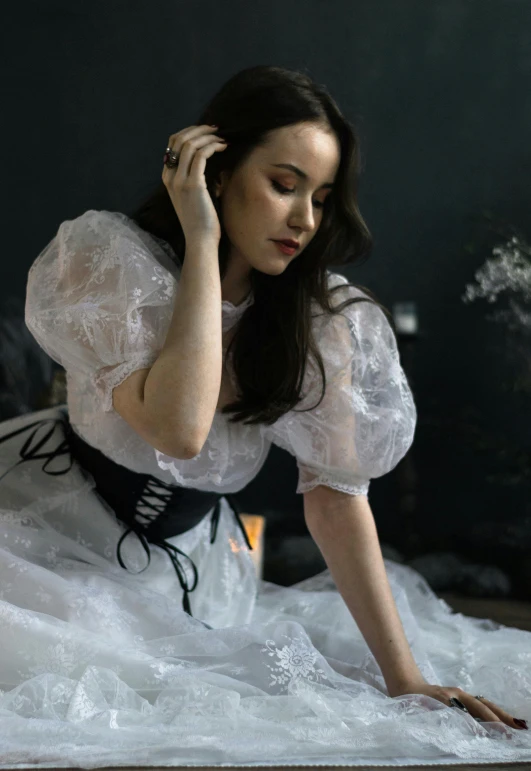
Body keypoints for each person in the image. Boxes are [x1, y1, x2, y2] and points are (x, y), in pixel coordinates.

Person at [0, 65, 529, 767]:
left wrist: (405, 678)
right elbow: (180, 430)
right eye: (283, 185)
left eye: (321, 197)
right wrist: (202, 243)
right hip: (46, 531)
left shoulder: (322, 321)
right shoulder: (110, 261)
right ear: (215, 172)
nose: (306, 220)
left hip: (192, 567)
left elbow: (336, 499)